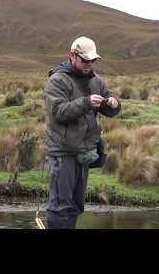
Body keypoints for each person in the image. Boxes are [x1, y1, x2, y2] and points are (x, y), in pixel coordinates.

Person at [43, 36, 121, 229]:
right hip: (63, 153)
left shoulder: (96, 81)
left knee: (76, 205)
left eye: (93, 60)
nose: (89, 64)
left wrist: (114, 103)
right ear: (72, 56)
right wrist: (86, 103)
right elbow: (58, 112)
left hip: (84, 152)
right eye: (85, 60)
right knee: (61, 207)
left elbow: (109, 106)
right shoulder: (57, 80)